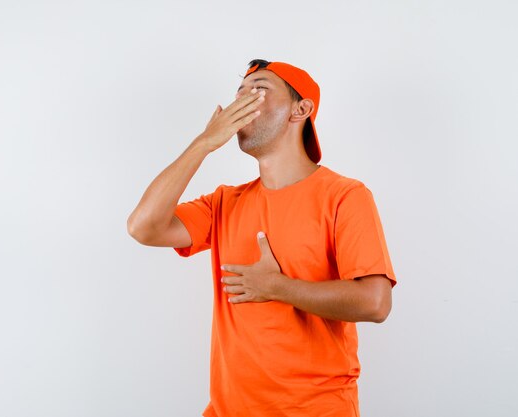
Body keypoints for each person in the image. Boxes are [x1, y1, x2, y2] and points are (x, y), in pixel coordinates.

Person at [127, 59, 397, 417]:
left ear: (301, 109)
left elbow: (375, 302)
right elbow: (142, 226)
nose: (241, 102)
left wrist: (278, 287)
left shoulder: (345, 196)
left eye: (259, 90)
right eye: (239, 92)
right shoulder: (225, 202)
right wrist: (204, 143)